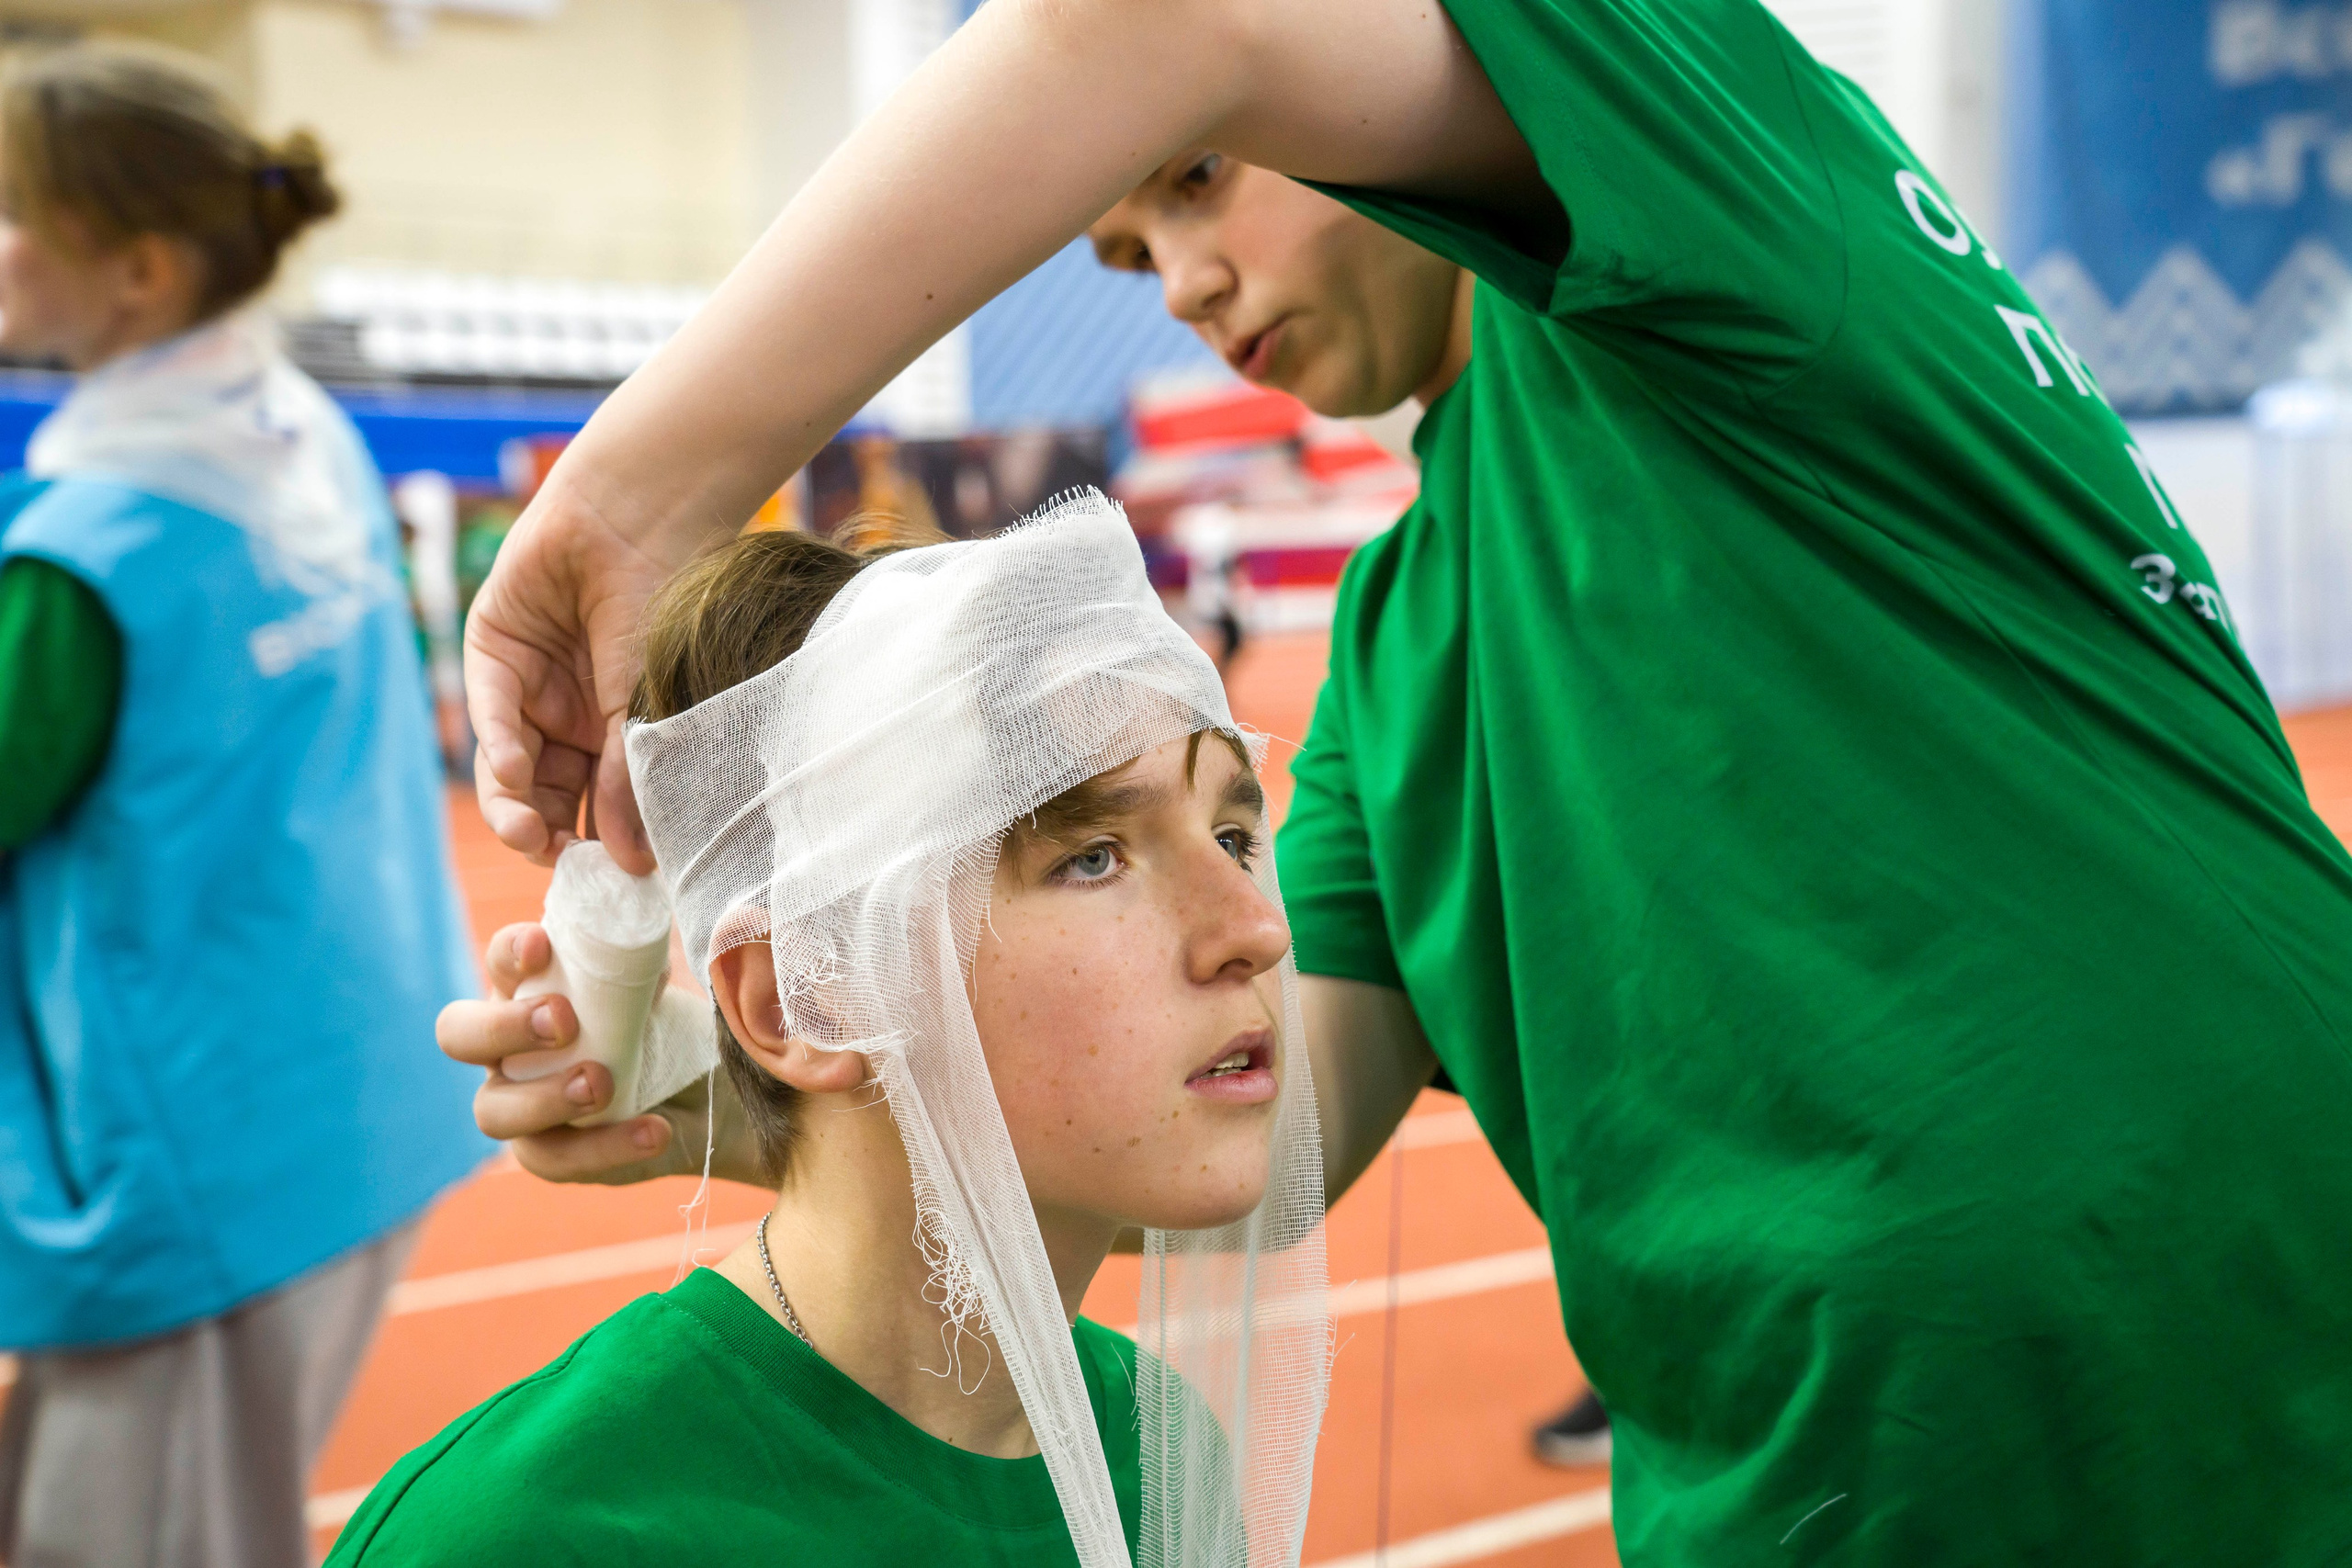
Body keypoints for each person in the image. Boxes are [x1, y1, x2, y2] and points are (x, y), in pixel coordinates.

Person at [450, 0, 2352, 1559]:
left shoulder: (1717, 168)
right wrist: (829, 1053)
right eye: (1126, 251)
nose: (1184, 278)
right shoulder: (1394, 640)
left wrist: (643, 488)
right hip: (1812, 1491)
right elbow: (1242, 1144)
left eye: (1198, 187)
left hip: (2236, 1403)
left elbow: (1160, 17)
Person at [336, 502, 1325, 1567]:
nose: (1256, 928)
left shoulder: (1163, 1455)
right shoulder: (521, 1541)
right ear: (805, 994)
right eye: (1091, 855)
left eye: (1233, 834)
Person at [0, 44, 486, 1568]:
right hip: (349, 1096)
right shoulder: (300, 437)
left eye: (10, 211)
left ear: (135, 267)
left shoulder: (89, 554)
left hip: (190, 1158)